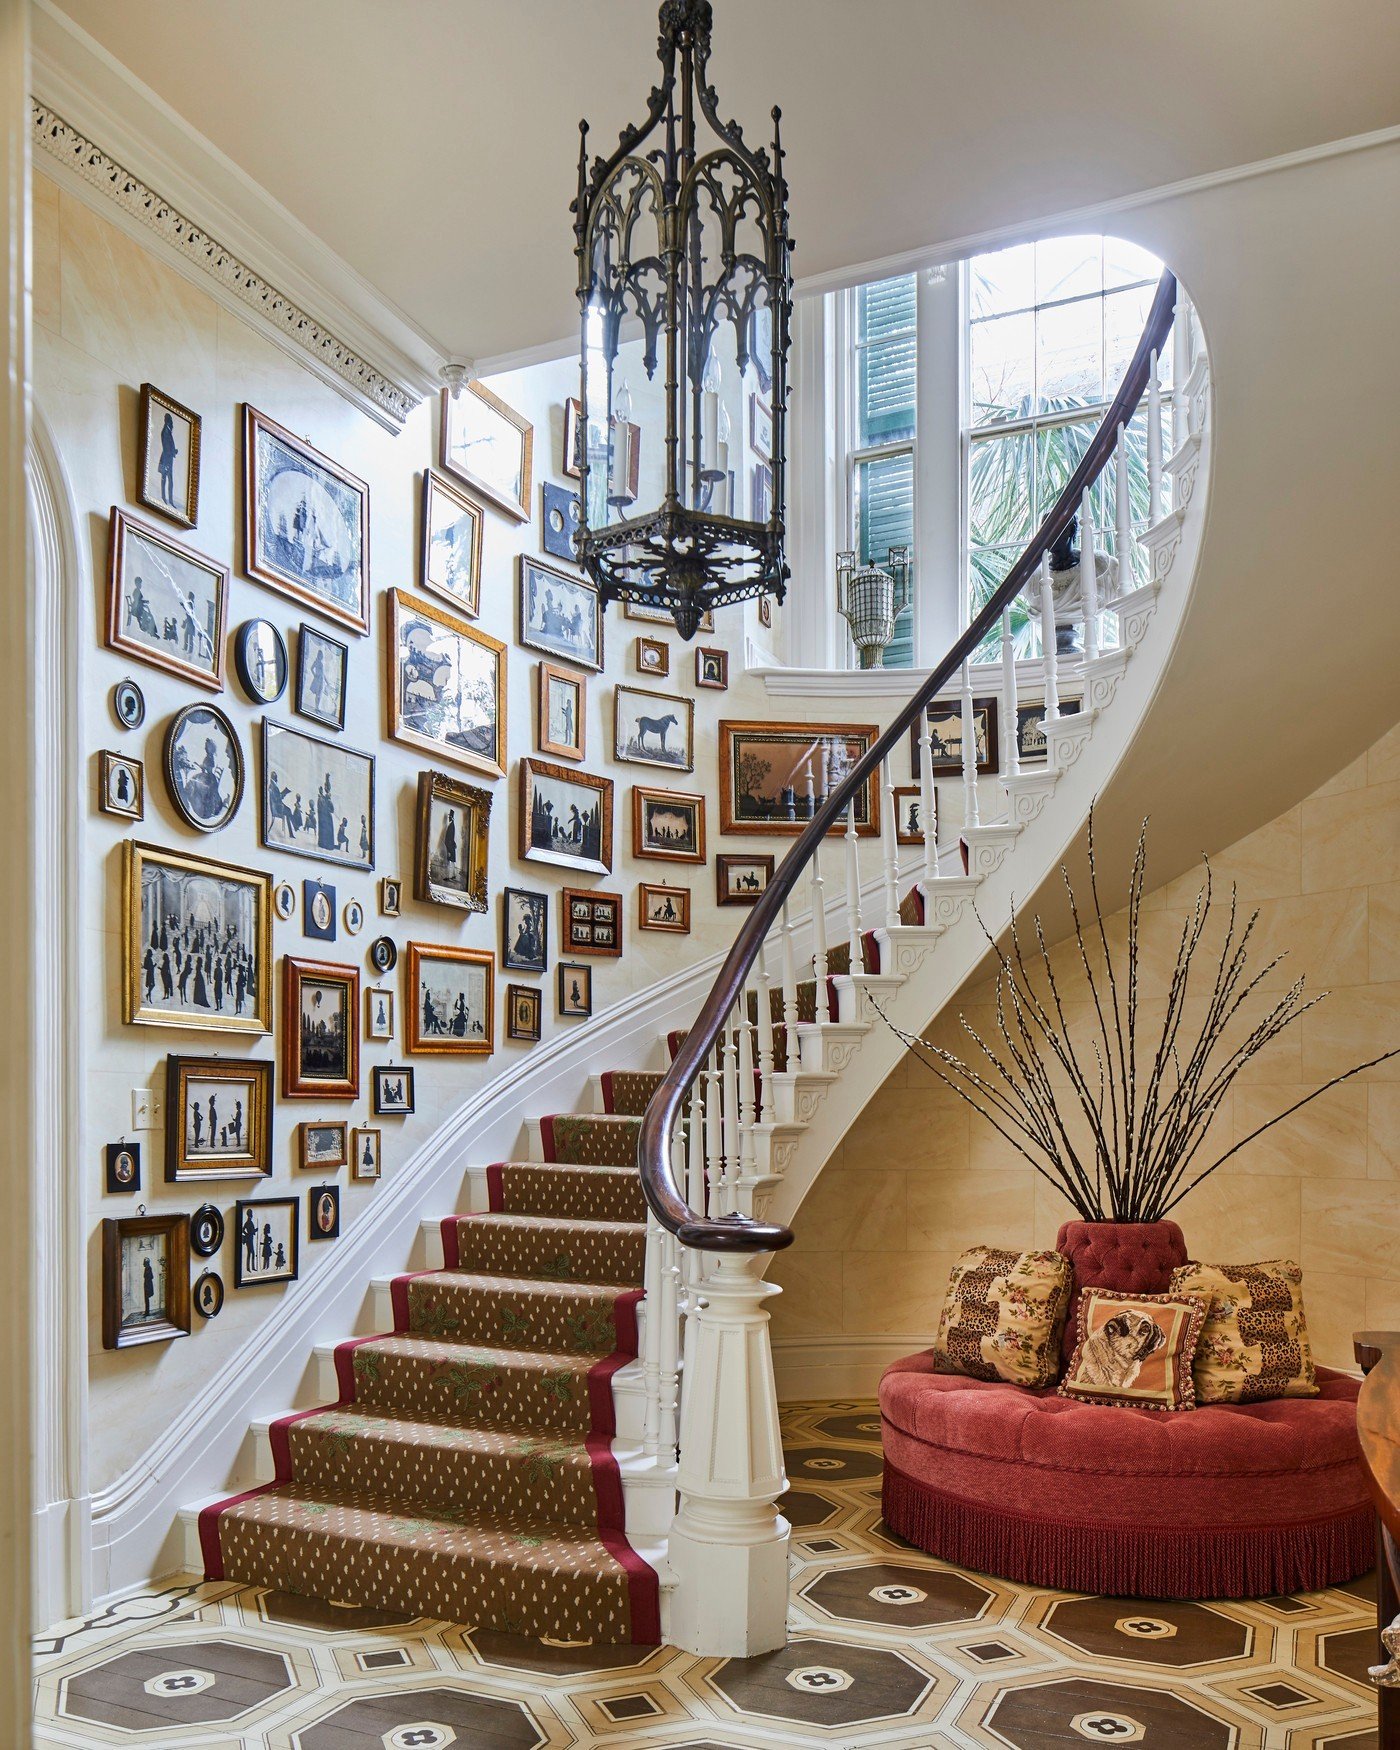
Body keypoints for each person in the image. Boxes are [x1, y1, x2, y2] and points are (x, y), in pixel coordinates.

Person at [157, 411, 178, 509]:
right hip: (166, 458)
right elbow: (166, 447)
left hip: (167, 458)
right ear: (169, 421)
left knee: (168, 478)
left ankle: (169, 499)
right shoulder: (166, 431)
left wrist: (174, 451)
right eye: (171, 421)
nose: (172, 423)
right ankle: (165, 498)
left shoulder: (168, 431)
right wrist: (172, 452)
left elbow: (169, 447)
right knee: (166, 478)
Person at [240, 1207, 257, 1274]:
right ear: (250, 1214)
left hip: (250, 1238)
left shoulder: (249, 1222)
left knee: (251, 1253)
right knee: (250, 1253)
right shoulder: (248, 1222)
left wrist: (254, 1231)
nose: (252, 1215)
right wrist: (247, 1234)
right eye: (251, 1214)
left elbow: (250, 1231)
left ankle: (251, 1267)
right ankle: (248, 1268)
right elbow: (243, 1229)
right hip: (249, 1239)